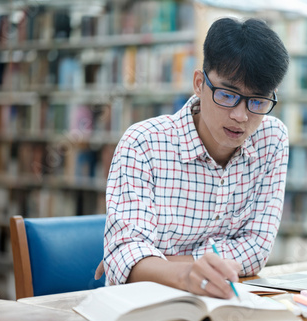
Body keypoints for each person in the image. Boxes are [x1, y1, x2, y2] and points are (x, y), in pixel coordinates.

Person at [97, 17, 290, 300]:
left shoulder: (271, 139)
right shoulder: (143, 143)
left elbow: (257, 250)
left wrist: (156, 262)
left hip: (223, 302)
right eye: (227, 94)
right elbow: (125, 256)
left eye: (258, 101)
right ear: (199, 83)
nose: (241, 116)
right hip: (141, 309)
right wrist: (184, 273)